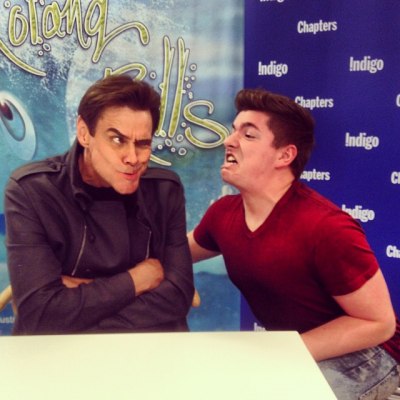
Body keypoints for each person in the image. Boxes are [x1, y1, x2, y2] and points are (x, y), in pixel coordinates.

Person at [188, 88, 400, 400]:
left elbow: (379, 324)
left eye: (248, 134)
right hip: (296, 350)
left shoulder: (326, 227)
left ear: (284, 155)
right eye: (234, 130)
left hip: (371, 354)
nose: (229, 141)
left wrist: (285, 352)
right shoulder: (222, 214)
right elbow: (176, 253)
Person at [5, 74, 194, 334]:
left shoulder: (164, 190)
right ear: (84, 133)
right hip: (60, 353)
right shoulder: (32, 190)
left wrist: (75, 301)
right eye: (117, 140)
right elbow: (40, 313)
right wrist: (136, 281)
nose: (133, 158)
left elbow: (178, 297)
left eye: (143, 144)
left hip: (147, 349)